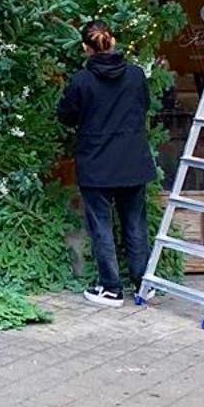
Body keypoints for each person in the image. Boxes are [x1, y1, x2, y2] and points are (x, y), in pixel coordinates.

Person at [57, 20, 157, 308]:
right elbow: (145, 106)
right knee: (135, 225)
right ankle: (143, 284)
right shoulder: (136, 76)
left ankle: (111, 289)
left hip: (96, 164)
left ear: (86, 49)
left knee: (101, 226)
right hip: (132, 162)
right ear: (112, 41)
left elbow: (65, 115)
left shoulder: (81, 81)